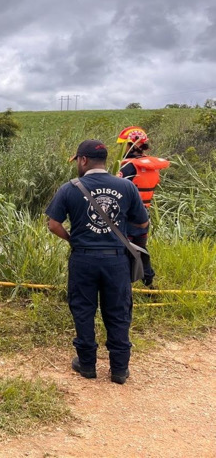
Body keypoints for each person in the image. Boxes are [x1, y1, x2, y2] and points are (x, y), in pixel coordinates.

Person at [45, 139, 149, 385]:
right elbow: (142, 223)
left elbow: (53, 224)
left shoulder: (69, 188)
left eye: (77, 161)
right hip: (116, 260)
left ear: (83, 160)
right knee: (118, 312)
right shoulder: (126, 187)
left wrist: (73, 239)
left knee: (83, 310)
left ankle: (88, 364)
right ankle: (120, 369)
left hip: (83, 259)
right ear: (104, 161)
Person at [116, 126, 170, 288]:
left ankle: (122, 285)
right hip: (144, 213)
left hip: (127, 215)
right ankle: (149, 283)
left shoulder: (127, 167)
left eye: (123, 145)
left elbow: (117, 189)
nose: (121, 148)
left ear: (131, 145)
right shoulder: (149, 166)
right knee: (141, 249)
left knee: (122, 249)